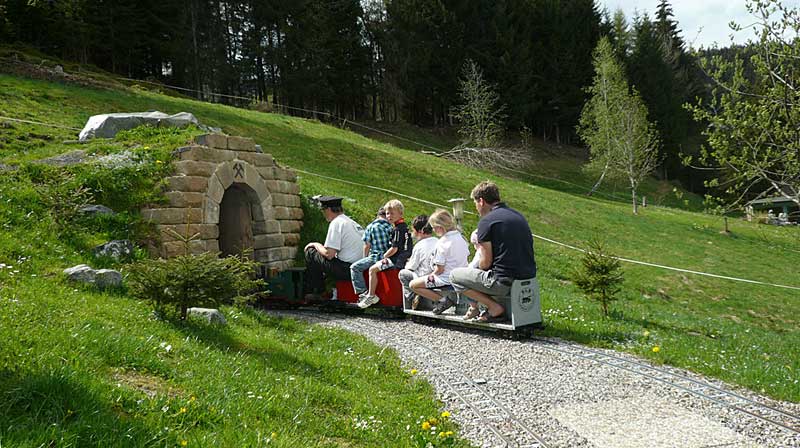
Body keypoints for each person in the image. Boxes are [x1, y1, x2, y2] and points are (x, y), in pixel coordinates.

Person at [450, 181, 537, 323]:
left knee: (455, 276)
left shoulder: (487, 221)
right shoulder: (518, 216)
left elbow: (485, 263)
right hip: (527, 276)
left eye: (475, 204)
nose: (476, 208)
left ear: (481, 201)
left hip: (503, 282)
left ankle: (494, 308)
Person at [409, 209, 469, 315]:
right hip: (461, 275)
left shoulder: (443, 242)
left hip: (445, 278)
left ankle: (442, 301)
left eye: (434, 228)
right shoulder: (461, 237)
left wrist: (431, 275)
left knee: (413, 285)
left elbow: (439, 270)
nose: (433, 231)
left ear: (440, 227)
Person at [304, 195, 365, 299]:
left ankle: (317, 291)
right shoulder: (352, 222)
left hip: (347, 269)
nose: (323, 214)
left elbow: (329, 254)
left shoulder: (336, 222)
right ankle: (330, 287)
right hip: (360, 268)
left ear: (328, 209)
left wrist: (315, 244)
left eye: (323, 210)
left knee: (311, 252)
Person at [358, 199, 413, 308]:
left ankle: (371, 295)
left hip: (395, 259)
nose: (389, 216)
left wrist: (384, 256)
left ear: (400, 213)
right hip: (403, 257)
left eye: (392, 213)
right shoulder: (404, 227)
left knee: (372, 270)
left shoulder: (397, 229)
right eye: (387, 213)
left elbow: (394, 248)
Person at [350, 207, 393, 296]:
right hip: (388, 258)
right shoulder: (391, 227)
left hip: (375, 257)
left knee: (354, 268)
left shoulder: (371, 227)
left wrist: (364, 257)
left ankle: (362, 292)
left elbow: (367, 245)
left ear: (378, 216)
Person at [398, 215, 438, 310]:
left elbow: (411, 267)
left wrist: (407, 262)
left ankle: (411, 299)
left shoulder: (419, 245)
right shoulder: (438, 241)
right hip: (436, 276)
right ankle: (417, 298)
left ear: (420, 231)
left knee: (403, 273)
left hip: (423, 278)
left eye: (413, 230)